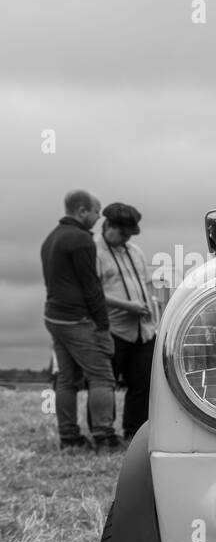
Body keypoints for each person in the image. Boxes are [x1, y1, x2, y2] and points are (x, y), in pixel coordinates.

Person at [40, 190, 120, 451]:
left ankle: (69, 438)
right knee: (102, 377)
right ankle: (104, 436)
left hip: (54, 315)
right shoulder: (82, 240)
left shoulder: (50, 239)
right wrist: (103, 326)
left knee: (66, 378)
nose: (99, 218)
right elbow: (91, 286)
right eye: (97, 212)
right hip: (78, 319)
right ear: (82, 210)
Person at [97, 202, 158, 441]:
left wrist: (152, 308)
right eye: (122, 233)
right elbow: (95, 293)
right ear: (108, 226)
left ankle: (134, 433)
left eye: (129, 235)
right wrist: (128, 307)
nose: (125, 239)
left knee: (142, 383)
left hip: (143, 329)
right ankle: (104, 431)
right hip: (115, 330)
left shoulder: (135, 251)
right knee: (106, 384)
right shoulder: (94, 253)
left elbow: (146, 284)